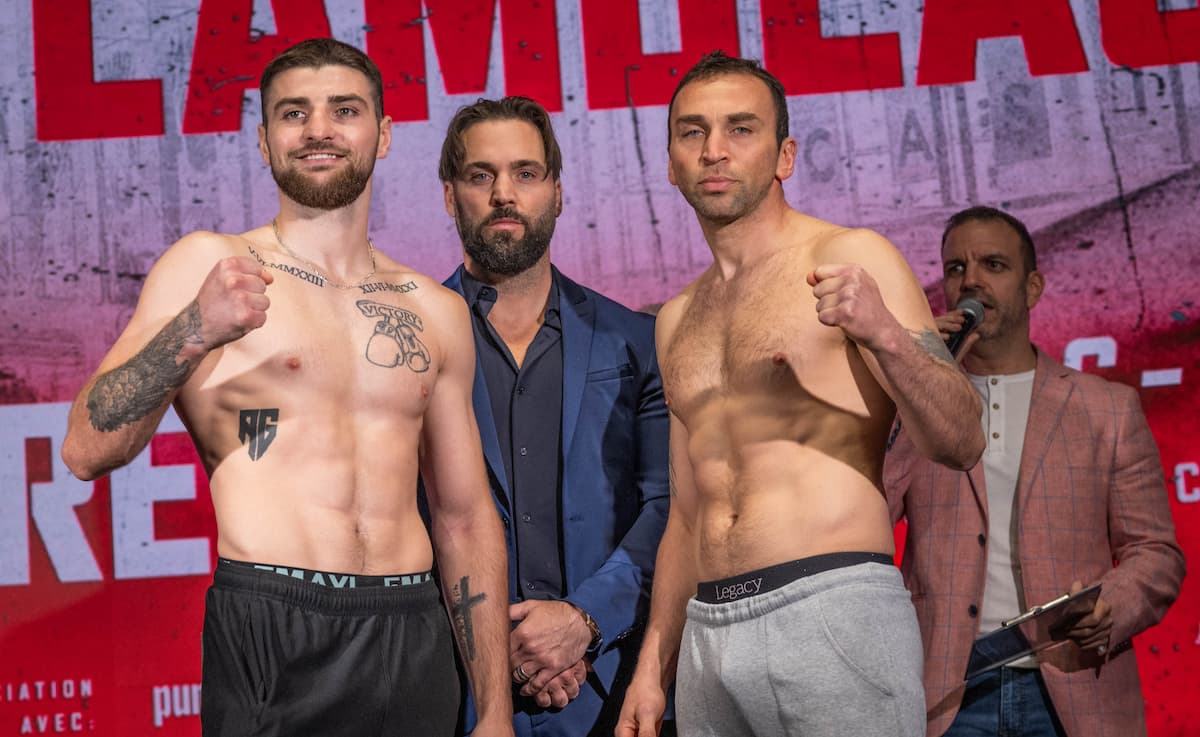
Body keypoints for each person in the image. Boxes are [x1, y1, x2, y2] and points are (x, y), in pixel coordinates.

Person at [60, 38, 514, 737]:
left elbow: (464, 517)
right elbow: (86, 447)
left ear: (384, 135)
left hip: (411, 632)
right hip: (275, 623)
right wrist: (195, 326)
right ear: (266, 141)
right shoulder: (209, 264)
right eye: (294, 113)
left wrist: (493, 712)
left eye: (345, 109)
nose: (319, 129)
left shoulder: (432, 309)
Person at [616, 51, 985, 737]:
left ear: (785, 155)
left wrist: (885, 334)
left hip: (830, 604)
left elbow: (961, 439)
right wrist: (651, 667)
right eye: (692, 132)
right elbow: (688, 518)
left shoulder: (852, 257)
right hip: (708, 632)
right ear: (670, 162)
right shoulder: (675, 320)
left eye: (741, 129)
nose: (714, 150)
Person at [884, 205, 1186, 737]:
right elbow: (869, 514)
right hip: (948, 697)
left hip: (1074, 689)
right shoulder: (919, 406)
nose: (971, 280)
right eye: (956, 269)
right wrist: (921, 374)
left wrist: (1110, 607)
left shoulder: (1106, 407)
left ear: (1033, 287)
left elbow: (1156, 553)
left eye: (993, 265)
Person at [438, 96, 671, 737]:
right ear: (450, 195)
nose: (503, 193)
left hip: (612, 690)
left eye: (526, 173)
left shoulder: (637, 341)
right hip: (456, 696)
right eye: (480, 176)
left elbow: (672, 506)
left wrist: (584, 620)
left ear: (559, 192)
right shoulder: (409, 344)